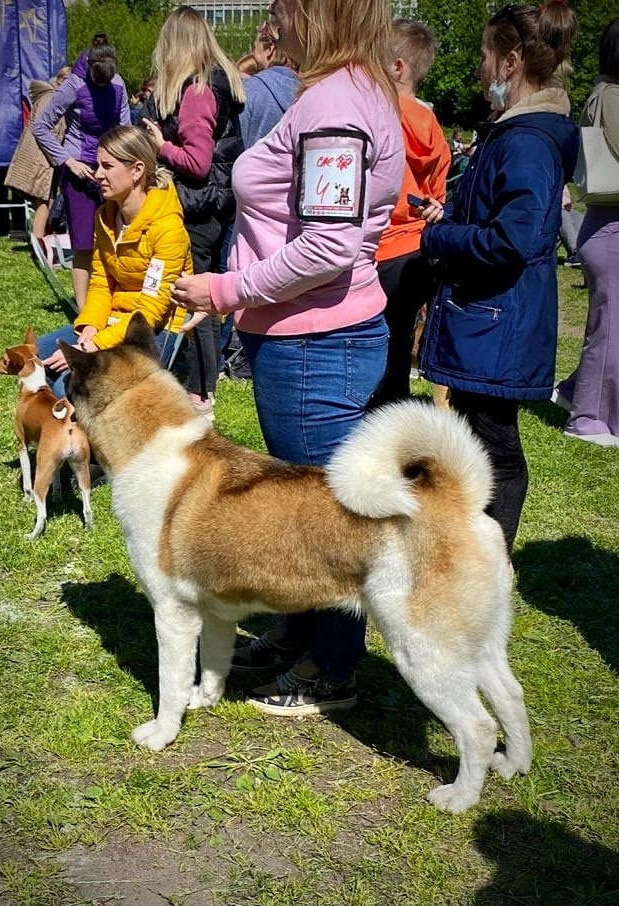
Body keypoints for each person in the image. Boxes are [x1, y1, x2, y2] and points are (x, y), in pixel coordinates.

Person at [172, 0, 405, 715]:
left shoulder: (336, 102)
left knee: (320, 519)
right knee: (305, 505)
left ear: (314, 13)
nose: (272, 25)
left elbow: (328, 245)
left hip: (313, 339)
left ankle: (329, 670)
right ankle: (298, 641)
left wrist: (226, 286)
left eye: (279, 11)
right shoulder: (353, 89)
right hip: (314, 336)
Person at [418, 1, 579, 554]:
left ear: (511, 62)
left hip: (497, 322)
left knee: (496, 450)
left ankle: (485, 564)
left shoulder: (526, 141)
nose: (480, 69)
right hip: (490, 320)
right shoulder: (517, 134)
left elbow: (513, 240)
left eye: (487, 55)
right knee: (473, 435)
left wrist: (441, 237)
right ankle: (468, 555)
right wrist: (456, 220)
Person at [142, 5, 246, 419]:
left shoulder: (198, 92)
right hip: (209, 206)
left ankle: (201, 392)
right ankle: (198, 383)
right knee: (195, 297)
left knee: (195, 298)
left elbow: (198, 163)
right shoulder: (208, 86)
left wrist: (159, 146)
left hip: (201, 208)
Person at [37, 125, 193, 398]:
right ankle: (69, 435)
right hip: (113, 320)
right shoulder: (104, 216)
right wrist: (89, 328)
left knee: (70, 385)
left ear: (137, 170)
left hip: (152, 328)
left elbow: (150, 313)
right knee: (39, 355)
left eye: (107, 166)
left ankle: (92, 436)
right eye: (98, 165)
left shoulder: (168, 228)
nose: (97, 174)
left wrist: (90, 347)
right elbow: (101, 282)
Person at [373, 19, 451, 404]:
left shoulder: (378, 112)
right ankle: (397, 400)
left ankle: (377, 405)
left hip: (378, 246)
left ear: (397, 66)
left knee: (372, 337)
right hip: (417, 247)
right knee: (401, 335)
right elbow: (437, 196)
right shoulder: (433, 126)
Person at [33, 34, 130, 311]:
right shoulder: (73, 86)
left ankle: (113, 303)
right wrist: (67, 161)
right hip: (80, 177)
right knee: (84, 245)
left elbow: (125, 128)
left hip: (111, 174)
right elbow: (40, 127)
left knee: (115, 242)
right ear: (89, 68)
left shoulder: (119, 85)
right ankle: (84, 310)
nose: (103, 86)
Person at [556, 17, 619, 447]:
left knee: (609, 325)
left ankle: (575, 392)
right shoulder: (611, 96)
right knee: (609, 327)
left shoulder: (604, 92)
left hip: (606, 221)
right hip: (611, 222)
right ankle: (588, 418)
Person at [5, 67, 71, 247]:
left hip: (41, 154)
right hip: (40, 157)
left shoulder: (47, 96)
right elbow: (49, 130)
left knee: (45, 199)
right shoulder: (51, 98)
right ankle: (39, 244)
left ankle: (41, 238)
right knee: (43, 198)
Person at [238, 20, 299, 149]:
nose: (253, 54)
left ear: (269, 49)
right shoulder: (309, 89)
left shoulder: (250, 90)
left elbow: (236, 142)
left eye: (255, 48)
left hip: (251, 166)